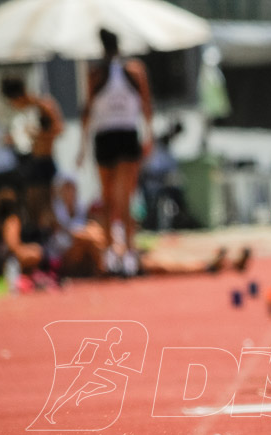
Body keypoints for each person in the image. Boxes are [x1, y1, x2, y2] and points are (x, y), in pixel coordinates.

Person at [78, 28, 154, 278]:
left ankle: (117, 252)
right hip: (122, 135)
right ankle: (124, 252)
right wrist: (149, 136)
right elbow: (146, 106)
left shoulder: (99, 73)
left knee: (112, 199)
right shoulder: (128, 70)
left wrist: (82, 146)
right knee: (121, 199)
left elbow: (87, 111)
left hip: (109, 137)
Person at [0, 75, 64, 232]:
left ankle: (50, 244)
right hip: (31, 162)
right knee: (32, 210)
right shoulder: (27, 111)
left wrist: (37, 135)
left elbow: (59, 129)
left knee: (46, 209)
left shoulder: (43, 105)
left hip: (44, 162)